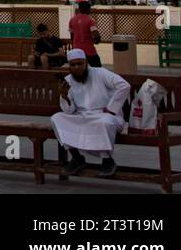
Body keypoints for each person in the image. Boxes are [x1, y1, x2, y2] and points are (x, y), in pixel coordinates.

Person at [51, 48, 131, 177]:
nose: (77, 67)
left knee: (105, 122)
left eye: (80, 63)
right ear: (69, 67)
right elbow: (69, 111)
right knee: (57, 118)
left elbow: (124, 85)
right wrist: (64, 96)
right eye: (73, 65)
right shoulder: (68, 80)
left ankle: (107, 160)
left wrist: (111, 108)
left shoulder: (101, 73)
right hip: (82, 116)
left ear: (86, 62)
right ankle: (77, 158)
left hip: (104, 114)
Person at [68, 1, 102, 67]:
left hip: (77, 50)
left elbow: (72, 36)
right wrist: (96, 41)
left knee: (81, 69)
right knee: (97, 68)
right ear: (88, 9)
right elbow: (96, 35)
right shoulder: (90, 20)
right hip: (89, 50)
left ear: (79, 9)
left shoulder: (72, 20)